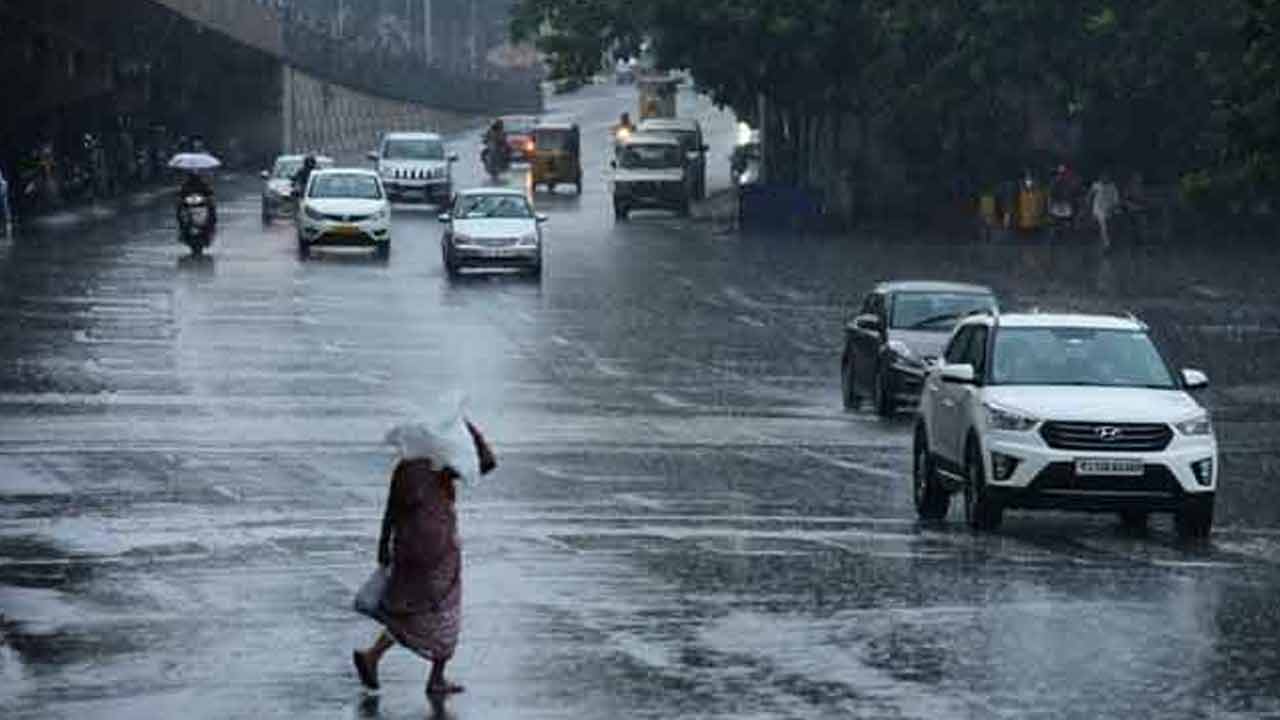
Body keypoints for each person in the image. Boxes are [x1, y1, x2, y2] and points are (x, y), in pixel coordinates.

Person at [353, 418, 497, 697]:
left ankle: (373, 656)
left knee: (412, 610)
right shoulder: (441, 468)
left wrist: (383, 545)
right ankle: (434, 677)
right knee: (444, 610)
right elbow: (487, 463)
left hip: (407, 550)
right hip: (438, 554)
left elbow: (391, 510)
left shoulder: (405, 469)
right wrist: (470, 430)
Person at [1087, 170, 1121, 250]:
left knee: (1110, 227)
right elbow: (1089, 195)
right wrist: (1089, 205)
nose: (1104, 178)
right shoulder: (1096, 185)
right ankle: (1106, 244)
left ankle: (1108, 241)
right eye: (1103, 177)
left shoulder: (1112, 186)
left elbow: (1116, 200)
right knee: (1103, 226)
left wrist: (1113, 208)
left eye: (1106, 177)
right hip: (1099, 210)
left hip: (1110, 208)